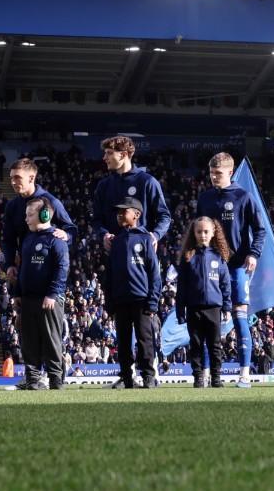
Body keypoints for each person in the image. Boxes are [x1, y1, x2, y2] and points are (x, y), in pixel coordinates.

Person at [92, 137, 172, 386]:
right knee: (123, 332)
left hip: (141, 254)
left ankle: (150, 373)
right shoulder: (104, 186)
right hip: (115, 257)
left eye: (108, 153)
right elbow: (96, 220)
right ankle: (127, 375)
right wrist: (102, 234)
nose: (104, 158)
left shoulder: (146, 182)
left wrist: (154, 235)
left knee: (145, 330)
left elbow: (164, 216)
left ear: (124, 154)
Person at [197, 152, 266, 389]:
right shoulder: (205, 198)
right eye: (211, 173)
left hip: (236, 266)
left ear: (230, 171)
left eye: (218, 173)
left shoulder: (243, 197)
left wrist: (254, 254)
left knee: (239, 316)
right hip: (210, 266)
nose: (214, 177)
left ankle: (244, 373)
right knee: (209, 319)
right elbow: (198, 230)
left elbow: (261, 230)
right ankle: (205, 373)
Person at [101, 198, 163, 390]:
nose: (119, 215)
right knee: (124, 342)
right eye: (117, 212)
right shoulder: (116, 241)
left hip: (142, 300)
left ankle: (148, 376)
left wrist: (153, 301)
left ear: (136, 214)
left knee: (145, 340)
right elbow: (109, 275)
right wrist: (109, 302)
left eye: (123, 211)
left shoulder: (145, 239)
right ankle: (127, 377)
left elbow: (154, 273)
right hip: (120, 301)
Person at [13, 197, 70, 390]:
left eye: (30, 215)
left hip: (49, 300)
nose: (26, 219)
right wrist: (17, 293)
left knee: (51, 339)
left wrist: (52, 294)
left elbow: (62, 268)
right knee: (29, 342)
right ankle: (32, 380)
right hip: (28, 300)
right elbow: (22, 270)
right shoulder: (27, 239)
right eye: (26, 215)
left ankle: (55, 380)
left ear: (44, 214)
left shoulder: (57, 239)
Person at [176, 217, 232, 389]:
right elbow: (182, 287)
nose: (202, 235)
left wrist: (227, 307)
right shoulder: (188, 258)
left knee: (215, 345)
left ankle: (216, 377)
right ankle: (198, 377)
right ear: (194, 233)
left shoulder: (219, 256)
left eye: (206, 231)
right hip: (194, 308)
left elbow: (225, 284)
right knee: (196, 345)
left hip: (214, 308)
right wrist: (180, 309)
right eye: (199, 232)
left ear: (213, 233)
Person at [2, 158, 77, 284]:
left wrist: (66, 235)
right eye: (11, 178)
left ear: (31, 178)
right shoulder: (12, 206)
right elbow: (8, 239)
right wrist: (9, 264)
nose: (13, 182)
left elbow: (71, 228)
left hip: (46, 270)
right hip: (24, 270)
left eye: (17, 177)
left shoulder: (51, 202)